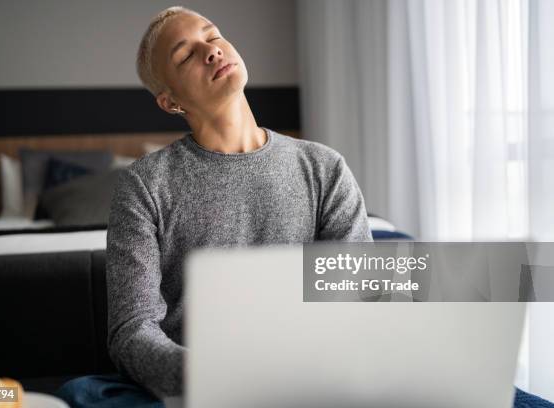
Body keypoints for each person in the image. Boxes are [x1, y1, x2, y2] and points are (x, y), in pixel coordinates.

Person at [56, 6, 553, 408]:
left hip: (320, 373)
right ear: (170, 102)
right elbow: (131, 330)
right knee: (81, 395)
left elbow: (355, 301)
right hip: (205, 383)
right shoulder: (144, 185)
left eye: (214, 35)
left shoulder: (323, 167)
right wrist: (211, 375)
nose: (212, 51)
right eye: (187, 54)